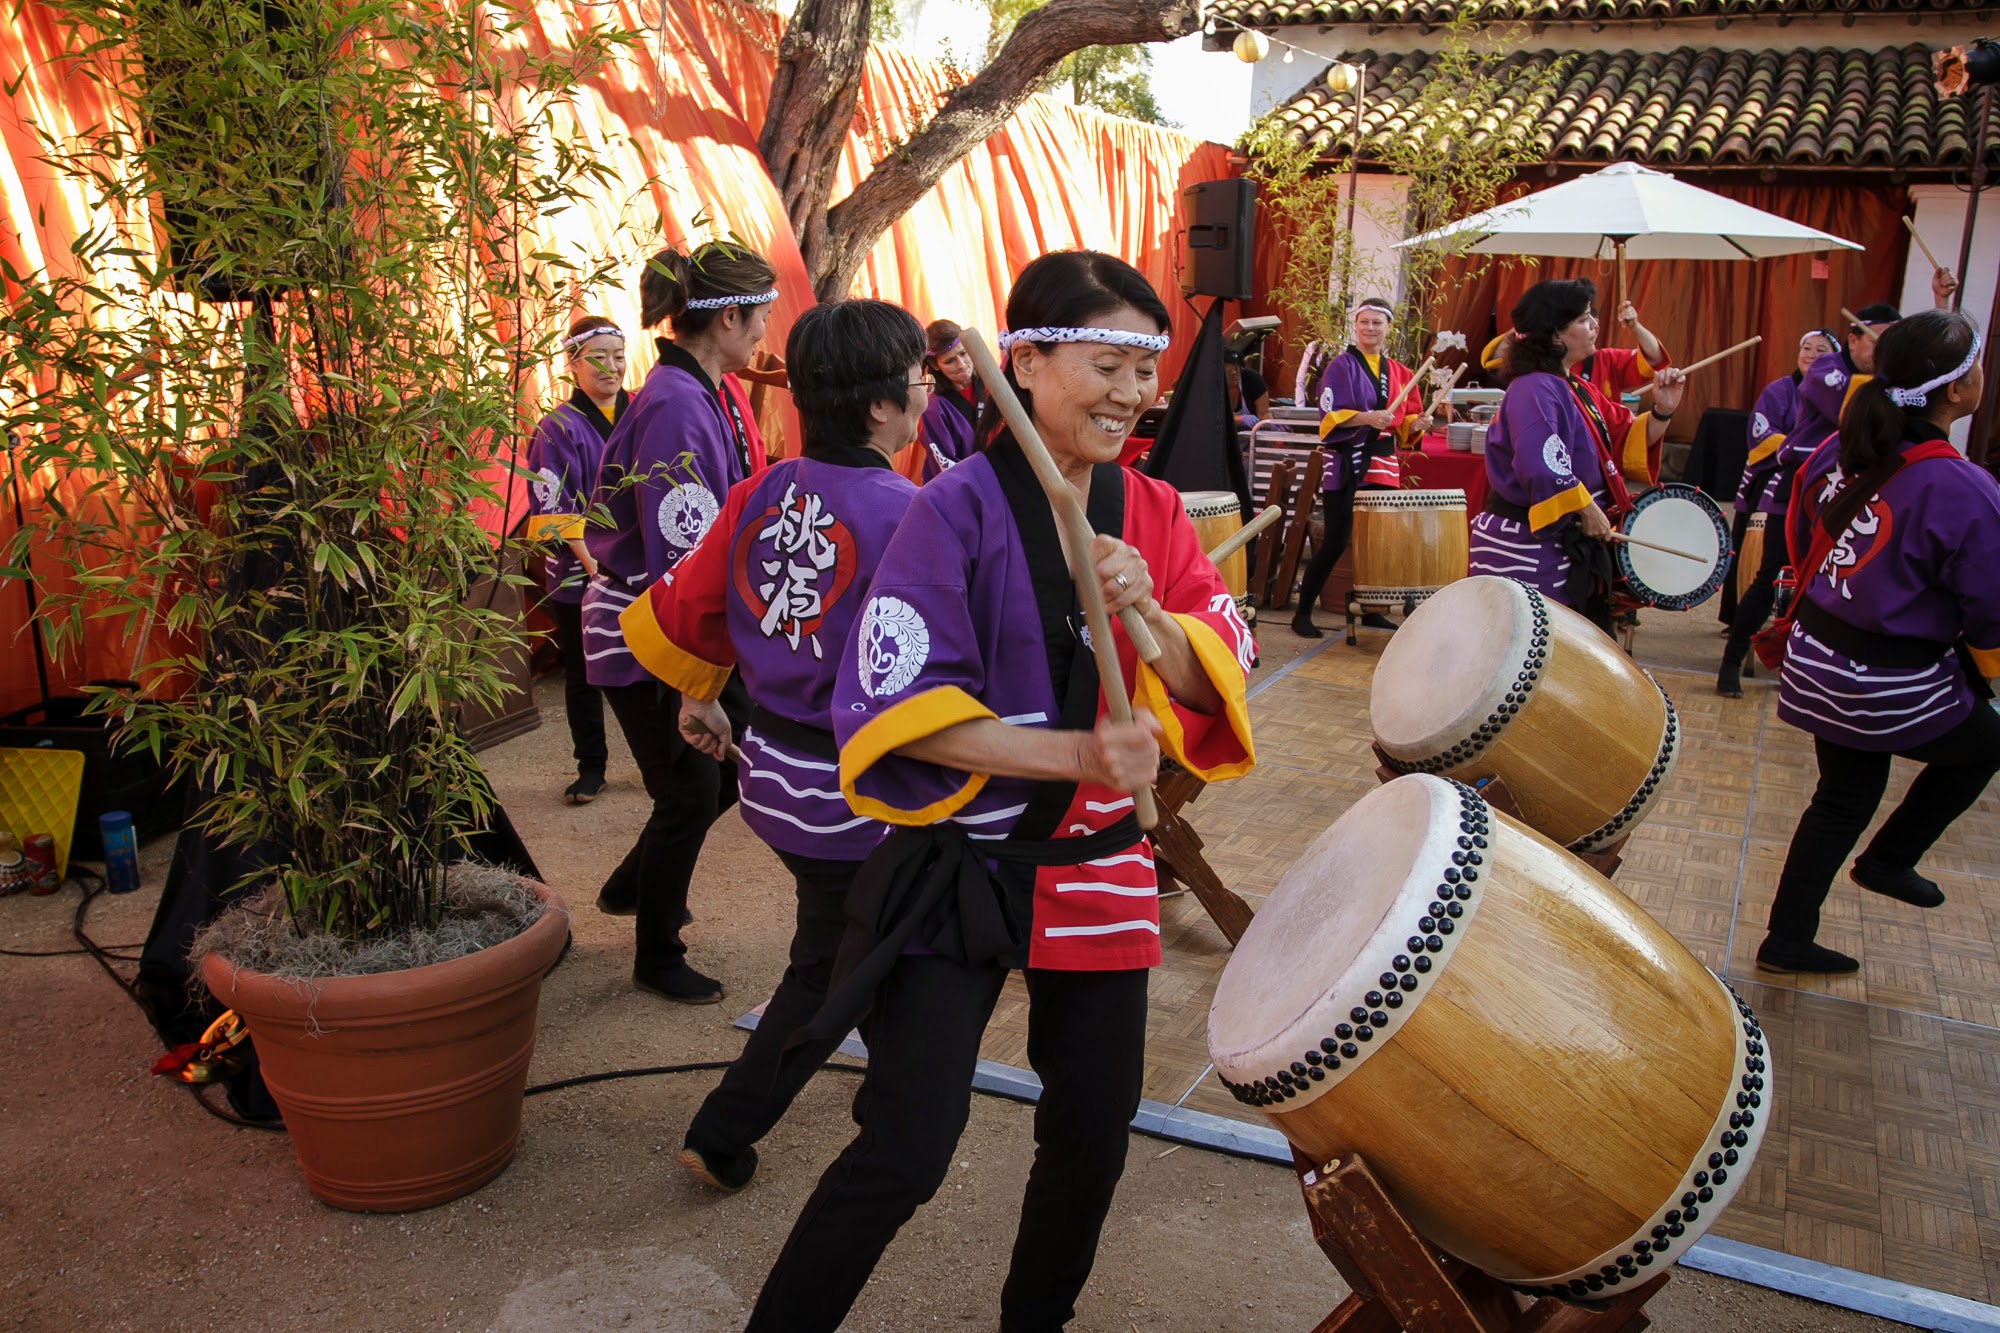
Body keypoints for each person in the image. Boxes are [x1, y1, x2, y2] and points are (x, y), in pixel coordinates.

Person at [743, 250, 1256, 1333]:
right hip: (963, 867)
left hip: (1097, 868)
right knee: (905, 1144)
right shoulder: (951, 511)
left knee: (1091, 1130)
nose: (1127, 391)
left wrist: (1150, 619)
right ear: (1022, 363)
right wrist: (1075, 756)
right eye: (1102, 362)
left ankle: (1037, 1321)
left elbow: (1219, 653)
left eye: (1139, 367)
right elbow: (892, 702)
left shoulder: (1152, 510)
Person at [616, 298, 929, 1191]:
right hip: (852, 795)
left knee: (866, 938)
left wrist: (702, 693)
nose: (925, 400)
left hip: (773, 779)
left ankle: (885, 1071)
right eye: (917, 385)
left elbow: (692, 605)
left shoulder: (764, 488)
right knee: (828, 965)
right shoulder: (909, 511)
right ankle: (723, 1129)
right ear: (878, 407)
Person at [1754, 310, 2000, 975]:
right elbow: (1989, 612)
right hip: (1880, 680)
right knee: (1985, 745)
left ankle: (1787, 938)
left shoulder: (1843, 448)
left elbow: (1803, 536)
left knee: (1842, 796)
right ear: (1958, 389)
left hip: (1815, 661)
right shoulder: (1964, 488)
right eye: (1977, 362)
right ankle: (1890, 858)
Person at [582, 239, 776, 1002]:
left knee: (720, 771)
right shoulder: (676, 406)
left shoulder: (701, 389)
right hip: (652, 623)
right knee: (694, 788)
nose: (764, 333)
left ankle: (637, 883)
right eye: (759, 317)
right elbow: (684, 555)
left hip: (671, 614)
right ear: (727, 317)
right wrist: (704, 682)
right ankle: (655, 950)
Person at [1467, 279, 1684, 633]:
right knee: (1529, 655)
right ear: (1555, 335)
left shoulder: (1576, 387)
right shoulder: (1534, 387)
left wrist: (1662, 410)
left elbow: (1623, 440)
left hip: (1557, 540)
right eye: (1584, 319)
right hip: (1527, 544)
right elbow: (1541, 466)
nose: (1594, 326)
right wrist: (1588, 509)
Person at [1715, 307, 1897, 697]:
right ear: (1853, 339)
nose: (1885, 349)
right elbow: (1855, 417)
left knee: (1834, 584)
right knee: (1770, 579)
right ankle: (1731, 661)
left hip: (1852, 495)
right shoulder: (1827, 371)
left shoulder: (1884, 379)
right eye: (1878, 338)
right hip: (1803, 490)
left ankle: (1813, 668)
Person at [527, 314, 629, 805]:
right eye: (599, 357)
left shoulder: (642, 411)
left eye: (619, 356)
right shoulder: (556, 428)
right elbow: (552, 509)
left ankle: (668, 764)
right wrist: (597, 568)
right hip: (580, 570)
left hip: (639, 566)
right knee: (584, 674)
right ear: (572, 364)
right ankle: (592, 766)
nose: (612, 367)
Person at [1291, 298, 1435, 638]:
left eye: (1377, 323)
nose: (1370, 328)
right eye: (1364, 322)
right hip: (1347, 460)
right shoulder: (1340, 366)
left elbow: (1406, 420)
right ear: (1356, 327)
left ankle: (1372, 610)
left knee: (1378, 541)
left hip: (1383, 462)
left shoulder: (1400, 372)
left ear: (1388, 328)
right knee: (1337, 539)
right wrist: (1365, 417)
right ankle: (1302, 613)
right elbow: (1328, 415)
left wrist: (1418, 425)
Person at [1717, 329, 1838, 627]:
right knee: (1764, 559)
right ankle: (1740, 617)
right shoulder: (1779, 390)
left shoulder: (1837, 397)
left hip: (1821, 480)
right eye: (1806, 347)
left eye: (1820, 350)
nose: (1810, 354)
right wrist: (1799, 450)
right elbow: (1760, 434)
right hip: (1776, 475)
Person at [1481, 296, 1671, 400]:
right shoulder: (1540, 362)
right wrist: (1531, 321)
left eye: (1593, 323)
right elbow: (1491, 359)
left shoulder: (1606, 360)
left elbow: (1654, 358)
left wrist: (1635, 326)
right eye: (1582, 321)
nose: (1593, 327)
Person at [896, 318, 982, 482]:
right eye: (949, 361)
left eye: (963, 353)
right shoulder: (934, 408)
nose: (961, 364)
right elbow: (947, 467)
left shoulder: (989, 385)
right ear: (935, 366)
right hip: (963, 488)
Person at [1224, 347, 1269, 431]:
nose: (1234, 373)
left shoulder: (1252, 379)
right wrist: (1240, 419)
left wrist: (1269, 423)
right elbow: (1212, 416)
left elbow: (1263, 414)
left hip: (1252, 437)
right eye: (1229, 372)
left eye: (1237, 369)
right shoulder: (1212, 386)